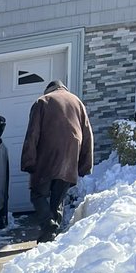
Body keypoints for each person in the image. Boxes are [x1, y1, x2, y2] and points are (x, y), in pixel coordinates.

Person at [20, 80, 93, 243]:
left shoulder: (42, 101)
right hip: (70, 157)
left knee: (38, 195)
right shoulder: (77, 102)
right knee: (58, 198)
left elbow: (32, 134)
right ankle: (51, 237)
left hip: (47, 157)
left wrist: (28, 161)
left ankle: (49, 226)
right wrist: (85, 164)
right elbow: (88, 135)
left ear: (48, 90)